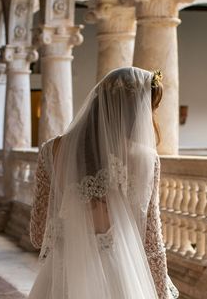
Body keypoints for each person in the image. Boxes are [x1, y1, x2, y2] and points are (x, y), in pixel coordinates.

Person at [28, 67, 179, 299]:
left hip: (64, 277)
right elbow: (151, 243)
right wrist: (159, 292)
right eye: (150, 108)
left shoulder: (53, 150)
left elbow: (38, 235)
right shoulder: (146, 160)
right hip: (122, 278)